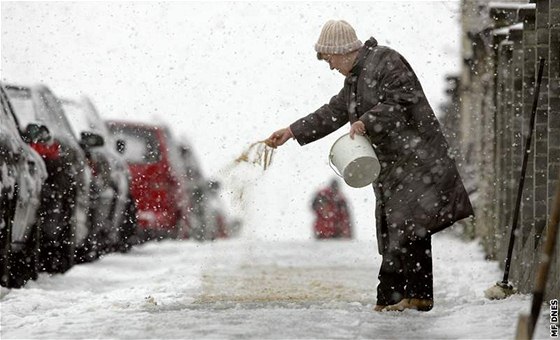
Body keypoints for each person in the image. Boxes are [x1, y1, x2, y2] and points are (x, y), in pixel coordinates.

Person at [265, 20, 473, 312]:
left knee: (403, 228)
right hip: (394, 165)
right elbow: (332, 112)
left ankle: (390, 298)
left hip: (416, 159)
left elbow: (402, 101)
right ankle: (417, 296)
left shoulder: (386, 61)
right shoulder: (354, 81)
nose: (329, 66)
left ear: (342, 50)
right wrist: (291, 131)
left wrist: (367, 120)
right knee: (408, 229)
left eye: (329, 59)